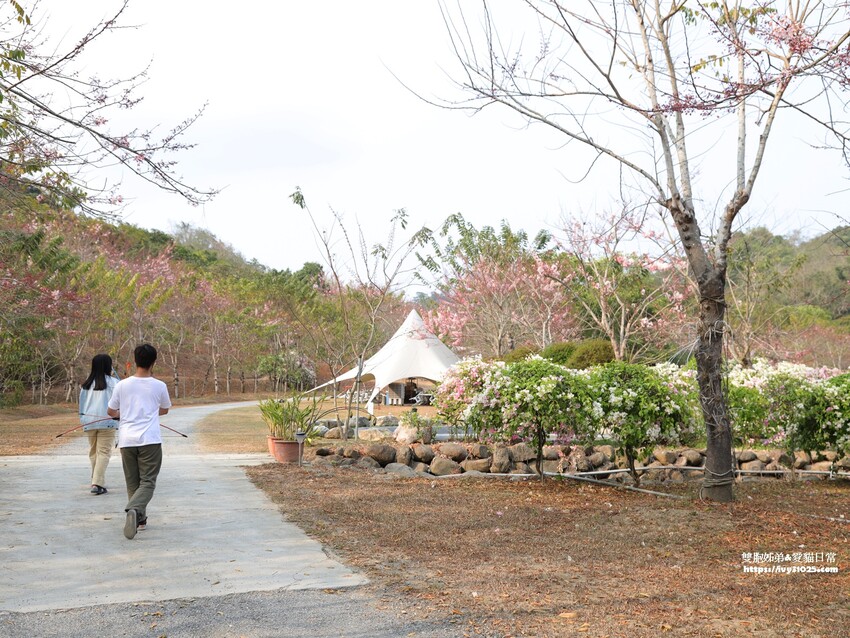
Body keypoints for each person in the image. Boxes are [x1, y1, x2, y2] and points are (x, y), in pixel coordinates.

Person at [107, 343, 171, 540]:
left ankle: (139, 520)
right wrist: (151, 410)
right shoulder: (159, 386)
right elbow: (165, 409)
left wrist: (122, 414)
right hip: (150, 439)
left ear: (135, 360)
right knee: (148, 481)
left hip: (127, 440)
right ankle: (134, 510)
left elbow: (111, 411)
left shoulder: (122, 385)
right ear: (154, 362)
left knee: (132, 482)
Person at [79, 354, 119, 495]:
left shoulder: (86, 384)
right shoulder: (115, 383)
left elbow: (82, 406)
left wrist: (83, 419)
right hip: (108, 421)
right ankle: (97, 483)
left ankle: (95, 480)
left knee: (94, 452)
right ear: (108, 366)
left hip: (89, 422)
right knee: (103, 452)